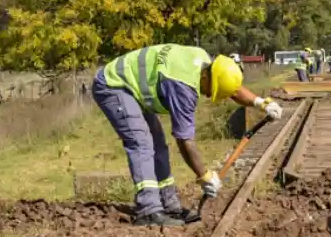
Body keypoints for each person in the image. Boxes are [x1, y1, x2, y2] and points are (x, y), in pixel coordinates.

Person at [92, 44, 284, 226]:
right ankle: (148, 210)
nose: (209, 96)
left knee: (158, 144)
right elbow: (184, 140)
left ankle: (170, 205)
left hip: (131, 86)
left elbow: (230, 87)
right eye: (211, 91)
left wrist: (261, 103)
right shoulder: (183, 86)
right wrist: (205, 175)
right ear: (206, 79)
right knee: (141, 143)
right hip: (113, 85)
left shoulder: (205, 62)